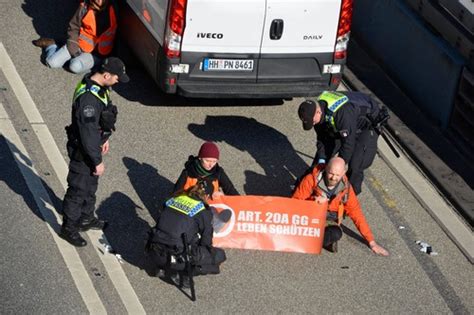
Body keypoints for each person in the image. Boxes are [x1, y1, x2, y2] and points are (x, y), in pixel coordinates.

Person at [59, 57, 129, 247]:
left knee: (90, 186)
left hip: (93, 147)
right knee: (78, 189)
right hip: (84, 151)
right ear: (106, 75)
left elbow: (102, 119)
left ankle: (86, 218)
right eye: (116, 77)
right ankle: (69, 227)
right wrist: (97, 161)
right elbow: (87, 133)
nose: (117, 81)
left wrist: (104, 139)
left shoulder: (99, 87)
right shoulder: (88, 99)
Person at [292, 157, 389, 256]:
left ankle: (313, 240)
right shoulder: (311, 179)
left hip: (329, 219)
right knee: (306, 230)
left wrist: (372, 242)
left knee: (336, 233)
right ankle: (316, 241)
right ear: (326, 168)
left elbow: (357, 214)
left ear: (344, 172)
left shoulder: (346, 189)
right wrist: (314, 203)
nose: (333, 178)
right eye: (331, 173)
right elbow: (295, 202)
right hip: (310, 215)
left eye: (337, 175)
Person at [298, 91, 387, 195]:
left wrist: (337, 168)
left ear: (318, 112)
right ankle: (305, 188)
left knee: (355, 165)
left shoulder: (342, 113)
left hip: (366, 128)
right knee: (320, 160)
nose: (312, 124)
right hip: (345, 126)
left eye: (312, 121)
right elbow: (322, 139)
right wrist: (322, 160)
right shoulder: (319, 114)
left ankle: (346, 197)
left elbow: (348, 145)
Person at [146, 182, 227, 288]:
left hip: (154, 250)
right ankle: (183, 275)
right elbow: (206, 242)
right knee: (219, 256)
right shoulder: (203, 212)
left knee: (180, 235)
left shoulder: (174, 199)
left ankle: (161, 267)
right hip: (176, 258)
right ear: (207, 196)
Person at [32, 0, 118, 74]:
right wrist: (73, 49)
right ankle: (52, 45)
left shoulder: (113, 8)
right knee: (51, 63)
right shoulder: (84, 7)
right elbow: (73, 27)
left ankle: (80, 62)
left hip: (97, 54)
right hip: (78, 45)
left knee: (74, 66)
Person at [174, 141, 239, 199]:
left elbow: (231, 191)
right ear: (200, 158)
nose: (211, 165)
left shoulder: (218, 172)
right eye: (207, 161)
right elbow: (175, 194)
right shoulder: (188, 172)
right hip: (191, 207)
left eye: (214, 161)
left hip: (211, 207)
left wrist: (222, 196)